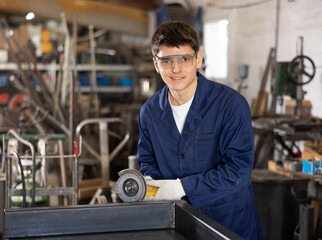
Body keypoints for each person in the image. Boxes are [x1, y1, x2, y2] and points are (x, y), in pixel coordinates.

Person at [136, 20, 263, 239]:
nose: (176, 69)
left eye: (184, 59)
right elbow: (148, 162)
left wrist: (180, 187)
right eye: (167, 61)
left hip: (228, 224)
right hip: (177, 224)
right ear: (156, 65)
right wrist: (149, 185)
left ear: (198, 60)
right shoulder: (149, 112)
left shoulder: (230, 105)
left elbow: (237, 172)